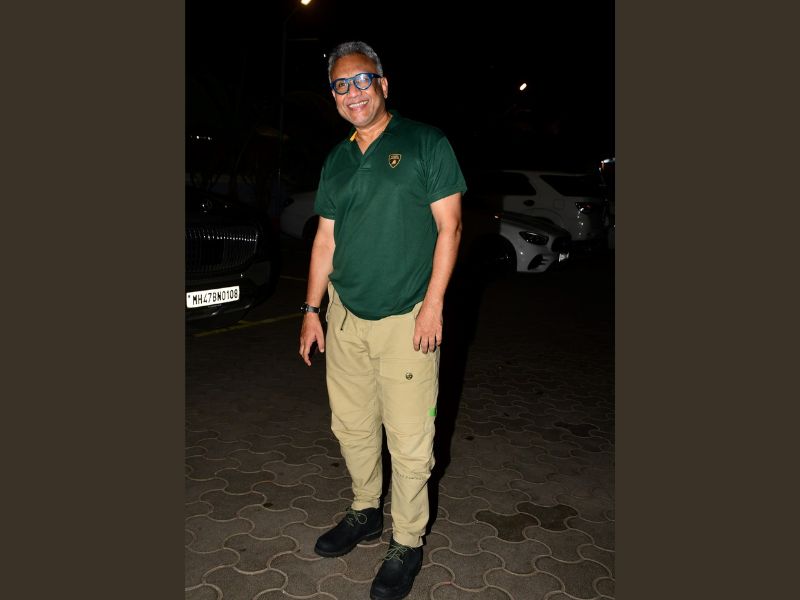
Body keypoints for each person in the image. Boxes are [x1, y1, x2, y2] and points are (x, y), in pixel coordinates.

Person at [297, 41, 466, 600]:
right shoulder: (337, 159)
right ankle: (365, 510)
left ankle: (408, 541)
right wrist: (311, 311)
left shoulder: (425, 142)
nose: (353, 93)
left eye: (362, 80)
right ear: (334, 96)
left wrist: (433, 305)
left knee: (411, 441)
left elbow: (450, 228)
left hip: (406, 318)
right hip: (345, 317)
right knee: (351, 427)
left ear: (383, 84)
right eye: (341, 85)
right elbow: (325, 240)